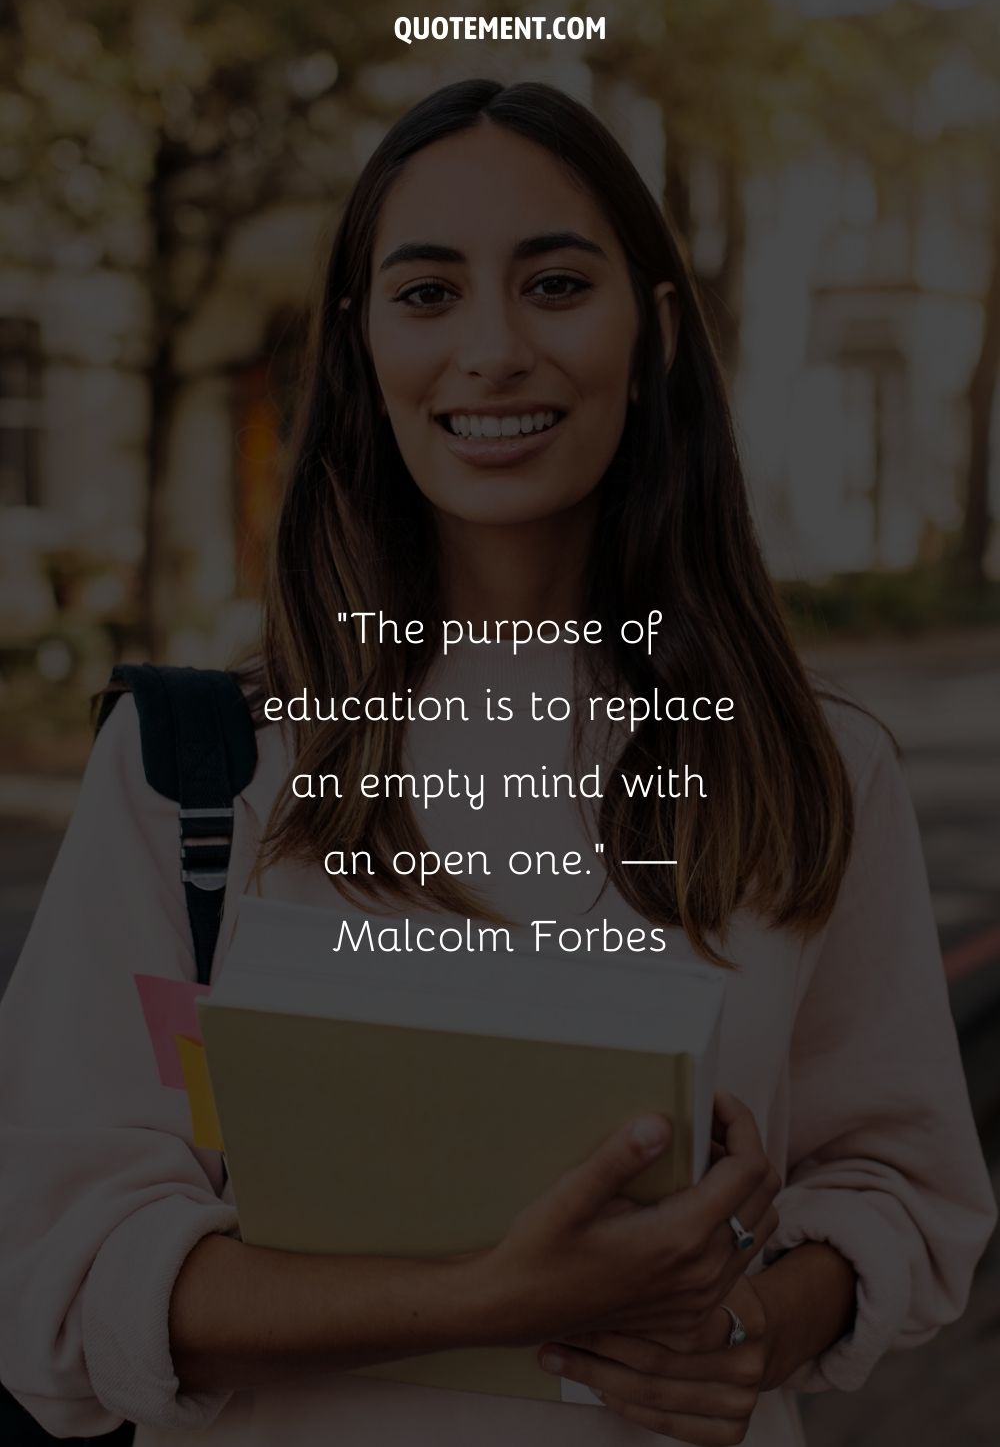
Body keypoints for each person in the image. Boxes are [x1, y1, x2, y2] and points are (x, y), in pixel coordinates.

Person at [0, 79, 994, 1447]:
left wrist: (767, 1328)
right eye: (427, 294)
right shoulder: (196, 766)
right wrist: (479, 1296)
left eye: (556, 283)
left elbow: (893, 1180)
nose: (492, 349)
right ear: (358, 347)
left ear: (648, 333)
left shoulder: (813, 766)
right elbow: (55, 1267)